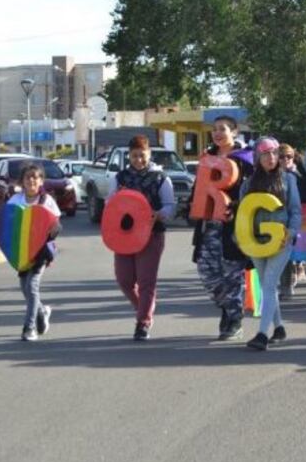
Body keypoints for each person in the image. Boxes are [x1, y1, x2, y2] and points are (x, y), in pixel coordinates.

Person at [190, 116, 254, 341]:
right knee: (207, 274)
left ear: (234, 132)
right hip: (209, 227)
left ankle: (234, 320)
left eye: (222, 129)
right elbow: (198, 191)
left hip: (234, 228)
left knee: (232, 275)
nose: (217, 133)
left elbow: (252, 194)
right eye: (214, 130)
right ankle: (228, 308)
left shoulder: (246, 161)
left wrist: (236, 208)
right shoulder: (208, 159)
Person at [109, 135, 176, 341]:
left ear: (149, 154)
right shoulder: (119, 178)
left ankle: (143, 322)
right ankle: (144, 309)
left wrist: (159, 214)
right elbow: (110, 205)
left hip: (151, 235)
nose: (139, 159)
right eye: (134, 155)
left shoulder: (160, 178)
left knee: (147, 282)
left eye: (142, 155)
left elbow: (170, 206)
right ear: (129, 156)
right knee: (124, 280)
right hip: (124, 236)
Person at [239, 137, 302, 351]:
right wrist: (242, 237)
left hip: (281, 241)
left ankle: (262, 334)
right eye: (266, 153)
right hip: (255, 241)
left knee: (268, 284)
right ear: (257, 156)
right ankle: (279, 328)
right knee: (268, 284)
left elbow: (295, 211)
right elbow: (242, 214)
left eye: (275, 153)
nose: (272, 158)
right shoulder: (248, 184)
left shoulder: (288, 180)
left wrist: (291, 232)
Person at [9, 162, 61, 341]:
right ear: (22, 181)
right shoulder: (15, 201)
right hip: (22, 252)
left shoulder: (47, 201)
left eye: (35, 177)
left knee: (32, 286)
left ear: (41, 181)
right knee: (25, 287)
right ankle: (42, 312)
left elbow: (56, 224)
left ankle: (29, 328)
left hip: (40, 253)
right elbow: (7, 223)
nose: (32, 180)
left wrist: (48, 231)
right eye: (28, 177)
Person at [279, 143, 306, 297]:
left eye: (289, 156)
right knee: (284, 252)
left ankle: (302, 266)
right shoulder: (272, 175)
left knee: (297, 250)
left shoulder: (300, 174)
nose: (285, 159)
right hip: (279, 218)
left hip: (299, 217)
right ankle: (286, 285)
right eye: (281, 156)